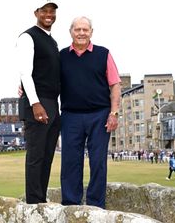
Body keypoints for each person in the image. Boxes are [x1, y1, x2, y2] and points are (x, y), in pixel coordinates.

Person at [59, 16, 121, 209]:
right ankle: (71, 203)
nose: (81, 33)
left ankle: (95, 205)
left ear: (91, 32)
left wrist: (114, 113)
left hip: (100, 115)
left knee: (98, 162)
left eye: (85, 30)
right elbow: (46, 79)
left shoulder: (103, 54)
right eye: (77, 29)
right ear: (71, 32)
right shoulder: (61, 56)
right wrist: (23, 85)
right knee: (70, 161)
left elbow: (115, 85)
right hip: (70, 116)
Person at [15, 0, 61, 204]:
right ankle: (33, 202)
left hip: (52, 102)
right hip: (38, 103)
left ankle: (40, 199)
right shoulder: (28, 37)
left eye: (52, 11)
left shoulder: (51, 41)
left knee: (47, 155)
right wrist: (35, 103)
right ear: (36, 13)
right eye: (44, 10)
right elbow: (26, 73)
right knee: (36, 156)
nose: (49, 14)